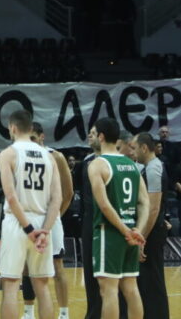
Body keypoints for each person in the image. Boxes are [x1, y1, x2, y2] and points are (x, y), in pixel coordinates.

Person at [0, 110, 61, 319]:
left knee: (10, 286)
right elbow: (57, 200)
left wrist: (29, 230)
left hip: (18, 222)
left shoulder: (8, 154)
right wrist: (44, 231)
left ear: (12, 128)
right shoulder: (49, 156)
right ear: (31, 128)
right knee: (42, 286)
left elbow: (11, 197)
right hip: (43, 222)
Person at [87, 118, 149, 319]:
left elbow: (104, 205)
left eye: (95, 133)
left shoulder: (98, 164)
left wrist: (125, 231)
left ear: (102, 136)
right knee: (131, 287)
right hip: (131, 232)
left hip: (110, 233)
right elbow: (144, 203)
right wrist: (137, 230)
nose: (93, 136)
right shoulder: (131, 164)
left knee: (109, 290)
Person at [22, 122, 74, 319]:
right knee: (27, 267)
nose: (31, 143)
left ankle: (63, 313)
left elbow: (68, 193)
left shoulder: (56, 156)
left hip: (51, 219)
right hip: (29, 218)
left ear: (42, 137)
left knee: (57, 267)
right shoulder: (21, 157)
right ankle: (28, 312)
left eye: (34, 139)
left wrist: (53, 218)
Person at [131, 132, 170, 319]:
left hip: (152, 232)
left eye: (134, 148)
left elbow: (153, 208)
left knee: (153, 281)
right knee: (146, 281)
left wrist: (141, 239)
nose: (133, 152)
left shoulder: (154, 169)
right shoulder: (148, 167)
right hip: (152, 229)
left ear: (144, 148)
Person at [81, 125, 104, 319]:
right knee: (90, 271)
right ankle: (93, 313)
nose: (90, 135)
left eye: (94, 133)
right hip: (90, 220)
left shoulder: (111, 161)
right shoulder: (86, 161)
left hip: (108, 220)